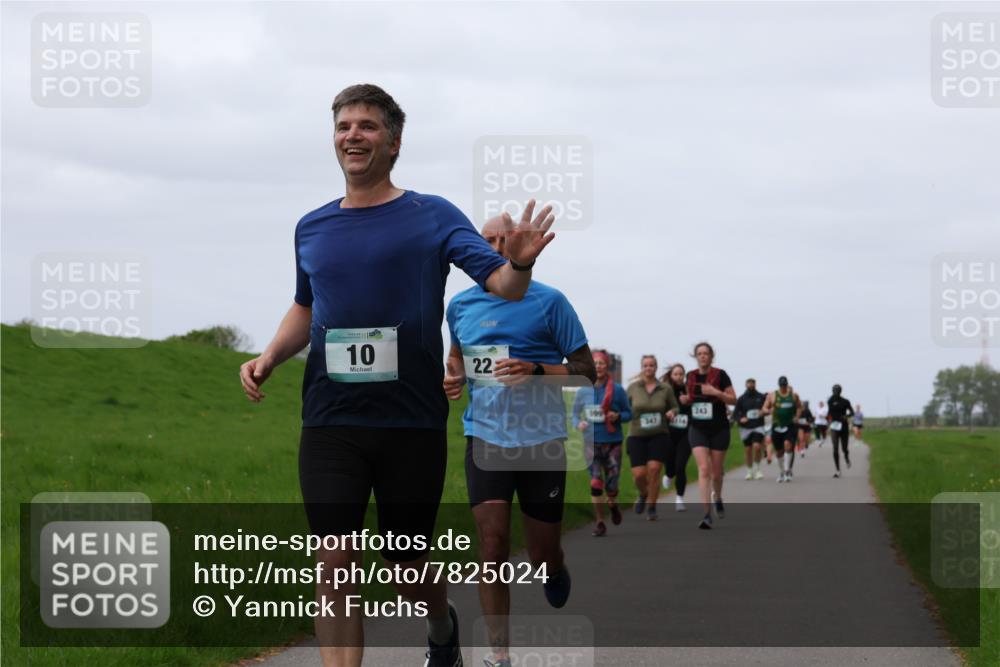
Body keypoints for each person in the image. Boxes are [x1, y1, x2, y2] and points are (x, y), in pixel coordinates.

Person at [238, 84, 557, 667]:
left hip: (409, 421)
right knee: (334, 562)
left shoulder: (431, 215)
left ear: (394, 141)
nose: (351, 135)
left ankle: (441, 626)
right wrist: (270, 355)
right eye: (343, 126)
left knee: (406, 568)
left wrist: (521, 261)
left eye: (366, 126)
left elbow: (504, 286)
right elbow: (306, 306)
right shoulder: (311, 227)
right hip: (331, 420)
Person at [443, 216, 595, 667]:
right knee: (491, 545)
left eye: (500, 240)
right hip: (485, 438)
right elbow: (458, 356)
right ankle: (500, 654)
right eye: (484, 241)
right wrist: (452, 377)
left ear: (517, 243)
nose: (492, 247)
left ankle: (554, 566)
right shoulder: (461, 305)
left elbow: (587, 371)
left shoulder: (550, 302)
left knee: (541, 553)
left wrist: (536, 370)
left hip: (542, 442)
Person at [679, 342, 737, 529]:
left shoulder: (721, 375)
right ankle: (706, 514)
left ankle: (717, 497)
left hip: (719, 428)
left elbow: (733, 399)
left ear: (712, 356)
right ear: (695, 356)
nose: (703, 356)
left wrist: (715, 392)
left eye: (706, 353)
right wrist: (685, 400)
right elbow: (689, 398)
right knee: (704, 470)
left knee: (716, 473)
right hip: (698, 428)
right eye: (699, 353)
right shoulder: (691, 376)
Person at [574, 350, 631, 536]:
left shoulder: (618, 390)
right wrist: (578, 423)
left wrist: (618, 416)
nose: (598, 366)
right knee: (595, 483)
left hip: (612, 443)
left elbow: (629, 413)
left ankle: (613, 505)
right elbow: (574, 414)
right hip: (591, 442)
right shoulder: (583, 390)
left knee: (611, 486)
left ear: (607, 367)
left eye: (601, 363)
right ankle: (599, 522)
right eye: (595, 363)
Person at [625, 355, 679, 521]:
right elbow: (625, 409)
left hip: (659, 434)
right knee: (639, 475)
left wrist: (672, 412)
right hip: (636, 435)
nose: (648, 368)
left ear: (656, 368)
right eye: (646, 365)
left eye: (652, 365)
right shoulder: (633, 388)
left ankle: (652, 507)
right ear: (642, 367)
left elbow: (675, 406)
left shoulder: (665, 388)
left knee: (655, 470)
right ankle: (643, 493)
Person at [663, 363, 693, 511]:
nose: (679, 377)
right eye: (676, 374)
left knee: (681, 466)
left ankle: (679, 498)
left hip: (686, 434)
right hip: (668, 433)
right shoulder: (665, 390)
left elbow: (698, 409)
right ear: (671, 375)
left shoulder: (689, 390)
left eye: (681, 374)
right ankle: (668, 475)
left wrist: (690, 401)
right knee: (670, 465)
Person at [762, 376, 801, 483]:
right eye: (781, 385)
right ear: (779, 385)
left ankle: (788, 470)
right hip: (777, 425)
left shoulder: (793, 396)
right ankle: (782, 471)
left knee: (788, 445)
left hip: (789, 425)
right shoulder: (772, 395)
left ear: (787, 385)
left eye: (784, 385)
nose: (783, 387)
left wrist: (797, 417)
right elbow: (764, 408)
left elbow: (799, 407)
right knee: (779, 452)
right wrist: (769, 411)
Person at [733, 378, 767, 480]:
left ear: (755, 384)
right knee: (748, 450)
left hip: (758, 426)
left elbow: (768, 408)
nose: (751, 385)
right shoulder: (742, 399)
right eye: (749, 384)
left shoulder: (761, 397)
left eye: (752, 384)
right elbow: (735, 414)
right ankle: (749, 471)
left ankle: (757, 469)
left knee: (757, 447)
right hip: (745, 428)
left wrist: (764, 412)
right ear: (746, 385)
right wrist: (740, 419)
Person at [827, 384, 855, 478]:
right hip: (834, 426)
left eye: (837, 391)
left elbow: (852, 412)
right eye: (834, 390)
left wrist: (846, 416)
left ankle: (846, 457)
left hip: (843, 426)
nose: (835, 392)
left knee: (844, 448)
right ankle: (837, 470)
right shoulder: (830, 401)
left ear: (840, 391)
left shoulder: (845, 401)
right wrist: (828, 421)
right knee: (835, 448)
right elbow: (829, 413)